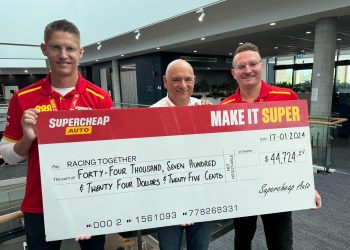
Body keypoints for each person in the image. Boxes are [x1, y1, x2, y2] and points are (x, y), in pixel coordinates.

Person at [0, 19, 113, 249]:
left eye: (70, 48)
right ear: (44, 49)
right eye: (56, 47)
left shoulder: (100, 99)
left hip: (88, 199)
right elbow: (8, 157)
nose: (63, 55)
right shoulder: (22, 98)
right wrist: (27, 138)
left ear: (80, 52)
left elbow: (111, 151)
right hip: (39, 203)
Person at [221, 42, 322, 250]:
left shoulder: (286, 97)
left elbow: (299, 145)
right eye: (241, 66)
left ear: (261, 66)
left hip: (279, 186)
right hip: (243, 188)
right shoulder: (226, 107)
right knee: (242, 239)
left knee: (281, 243)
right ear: (233, 73)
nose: (247, 70)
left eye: (252, 64)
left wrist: (307, 185)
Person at [151, 59, 212, 250]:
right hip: (167, 202)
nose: (183, 85)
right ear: (165, 81)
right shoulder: (151, 115)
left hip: (202, 197)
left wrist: (210, 119)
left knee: (200, 247)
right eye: (176, 80)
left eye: (188, 79)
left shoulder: (205, 109)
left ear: (194, 80)